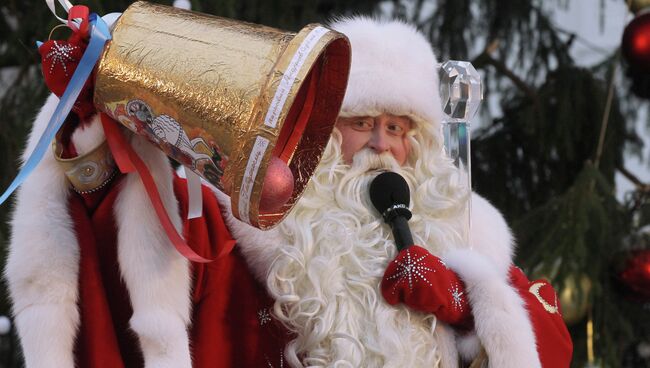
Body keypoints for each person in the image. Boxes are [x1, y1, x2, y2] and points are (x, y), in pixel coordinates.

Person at [5, 15, 571, 368]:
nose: (380, 144)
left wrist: (462, 303)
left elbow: (553, 346)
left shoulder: (463, 233)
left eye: (398, 128)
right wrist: (92, 121)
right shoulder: (241, 225)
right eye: (362, 122)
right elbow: (125, 252)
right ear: (322, 134)